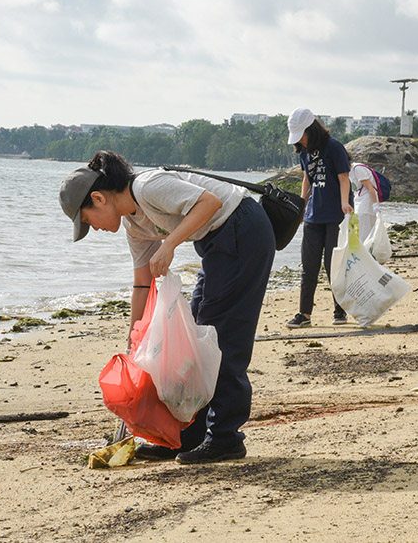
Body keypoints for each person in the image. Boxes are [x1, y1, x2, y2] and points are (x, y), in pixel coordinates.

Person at [58, 151, 275, 464]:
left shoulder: (148, 186)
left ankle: (226, 438)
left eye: (87, 221)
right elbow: (142, 283)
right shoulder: (135, 225)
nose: (93, 228)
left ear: (99, 198)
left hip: (244, 230)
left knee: (221, 336)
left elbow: (209, 202)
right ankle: (185, 437)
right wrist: (135, 338)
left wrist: (170, 244)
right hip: (217, 243)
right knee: (192, 341)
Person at [285, 107, 353, 328]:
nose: (300, 141)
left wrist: (345, 203)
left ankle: (340, 310)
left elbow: (344, 178)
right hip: (314, 216)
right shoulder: (305, 153)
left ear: (311, 130)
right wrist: (302, 205)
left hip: (335, 215)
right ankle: (304, 314)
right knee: (309, 266)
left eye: (301, 136)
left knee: (333, 265)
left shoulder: (333, 147)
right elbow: (307, 178)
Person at [350, 162, 380, 243]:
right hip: (359, 203)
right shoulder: (349, 171)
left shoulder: (358, 169)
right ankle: (366, 252)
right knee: (362, 232)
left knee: (364, 233)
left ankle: (365, 253)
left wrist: (375, 205)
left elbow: (370, 188)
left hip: (366, 205)